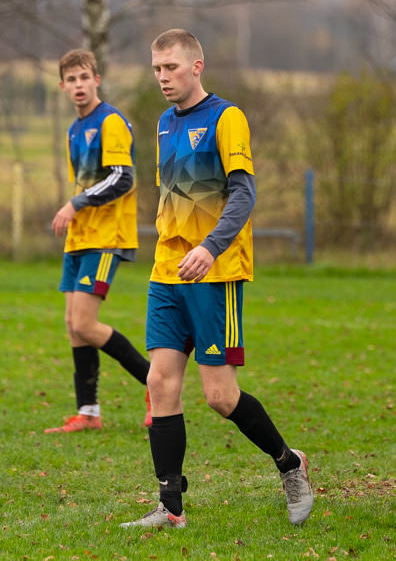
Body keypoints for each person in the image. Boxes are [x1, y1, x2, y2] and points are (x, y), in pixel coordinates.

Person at [120, 29, 312, 529]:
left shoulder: (227, 118)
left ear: (197, 66)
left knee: (220, 397)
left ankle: (290, 464)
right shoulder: (163, 123)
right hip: (167, 274)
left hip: (216, 273)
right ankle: (171, 507)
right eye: (157, 68)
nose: (163, 77)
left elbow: (244, 195)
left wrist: (209, 247)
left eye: (172, 67)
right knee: (160, 382)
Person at [46, 49, 151, 434]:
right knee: (74, 327)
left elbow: (122, 176)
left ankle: (155, 382)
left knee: (86, 324)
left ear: (97, 80)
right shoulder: (75, 128)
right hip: (80, 238)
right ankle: (88, 412)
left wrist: (76, 202)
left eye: (84, 78)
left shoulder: (111, 122)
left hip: (106, 237)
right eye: (70, 79)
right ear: (62, 86)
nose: (78, 85)